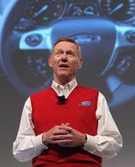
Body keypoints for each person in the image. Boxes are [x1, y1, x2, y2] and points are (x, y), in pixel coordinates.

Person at [13, 38, 122, 167]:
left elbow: (114, 145)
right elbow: (19, 151)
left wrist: (84, 140)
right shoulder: (33, 101)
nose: (64, 58)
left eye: (70, 54)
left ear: (79, 63)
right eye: (59, 53)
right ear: (50, 61)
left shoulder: (96, 97)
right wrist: (44, 138)